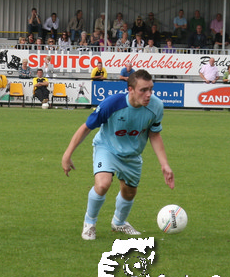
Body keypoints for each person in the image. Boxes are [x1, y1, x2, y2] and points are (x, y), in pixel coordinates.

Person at [61, 69, 174, 240]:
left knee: (129, 193)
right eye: (143, 90)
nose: (148, 94)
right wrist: (67, 155)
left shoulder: (156, 106)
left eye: (151, 89)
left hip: (132, 154)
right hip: (107, 147)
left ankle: (119, 223)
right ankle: (89, 223)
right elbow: (86, 127)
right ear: (130, 90)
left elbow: (154, 134)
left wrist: (164, 164)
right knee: (103, 184)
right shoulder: (112, 104)